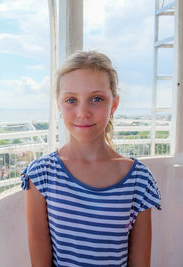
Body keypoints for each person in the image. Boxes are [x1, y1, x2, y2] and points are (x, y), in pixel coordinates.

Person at [21, 51, 161, 267]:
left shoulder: (139, 180)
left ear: (113, 105)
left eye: (96, 99)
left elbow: (140, 262)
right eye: (71, 100)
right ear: (59, 105)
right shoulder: (41, 174)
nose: (83, 112)